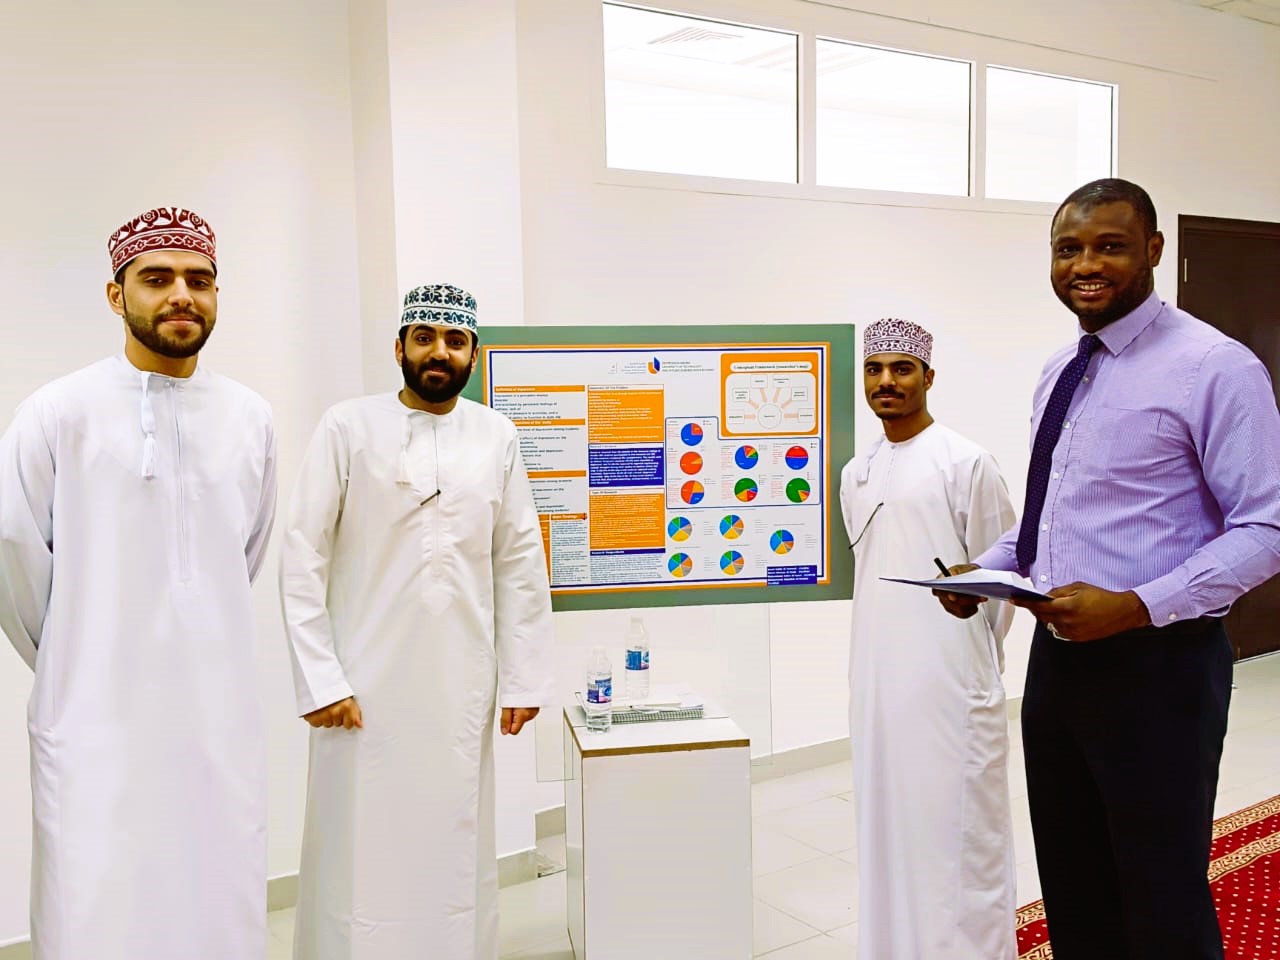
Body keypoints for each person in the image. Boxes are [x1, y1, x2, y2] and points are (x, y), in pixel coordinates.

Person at [937, 178, 1280, 960]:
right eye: (1068, 248)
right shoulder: (1062, 368)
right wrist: (986, 570)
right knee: (1074, 879)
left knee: (1159, 892)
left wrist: (1134, 605)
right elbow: (1052, 519)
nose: (1085, 264)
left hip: (1161, 667)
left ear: (1153, 251)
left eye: (1109, 246)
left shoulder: (1213, 367)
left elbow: (1268, 526)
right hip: (1058, 666)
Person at [0, 207, 277, 960]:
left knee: (216, 894)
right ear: (117, 296)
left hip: (215, 713)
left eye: (200, 280)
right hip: (94, 718)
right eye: (157, 279)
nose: (181, 295)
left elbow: (241, 554)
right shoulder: (57, 413)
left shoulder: (251, 418)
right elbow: (16, 558)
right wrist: (76, 657)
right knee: (96, 903)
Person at [281, 282, 554, 960]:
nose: (439, 351)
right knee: (359, 857)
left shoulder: (497, 435)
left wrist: (522, 679)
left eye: (454, 340)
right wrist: (319, 679)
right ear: (398, 346)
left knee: (450, 850)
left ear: (473, 352)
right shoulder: (348, 426)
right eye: (424, 336)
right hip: (360, 691)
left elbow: (518, 561)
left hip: (459, 686)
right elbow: (302, 553)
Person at [839, 318, 1017, 960]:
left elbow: (1002, 578)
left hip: (950, 686)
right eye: (874, 369)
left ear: (928, 377)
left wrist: (970, 663)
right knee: (888, 829)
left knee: (957, 837)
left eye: (902, 368)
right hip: (878, 682)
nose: (887, 381)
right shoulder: (855, 473)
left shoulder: (966, 462)